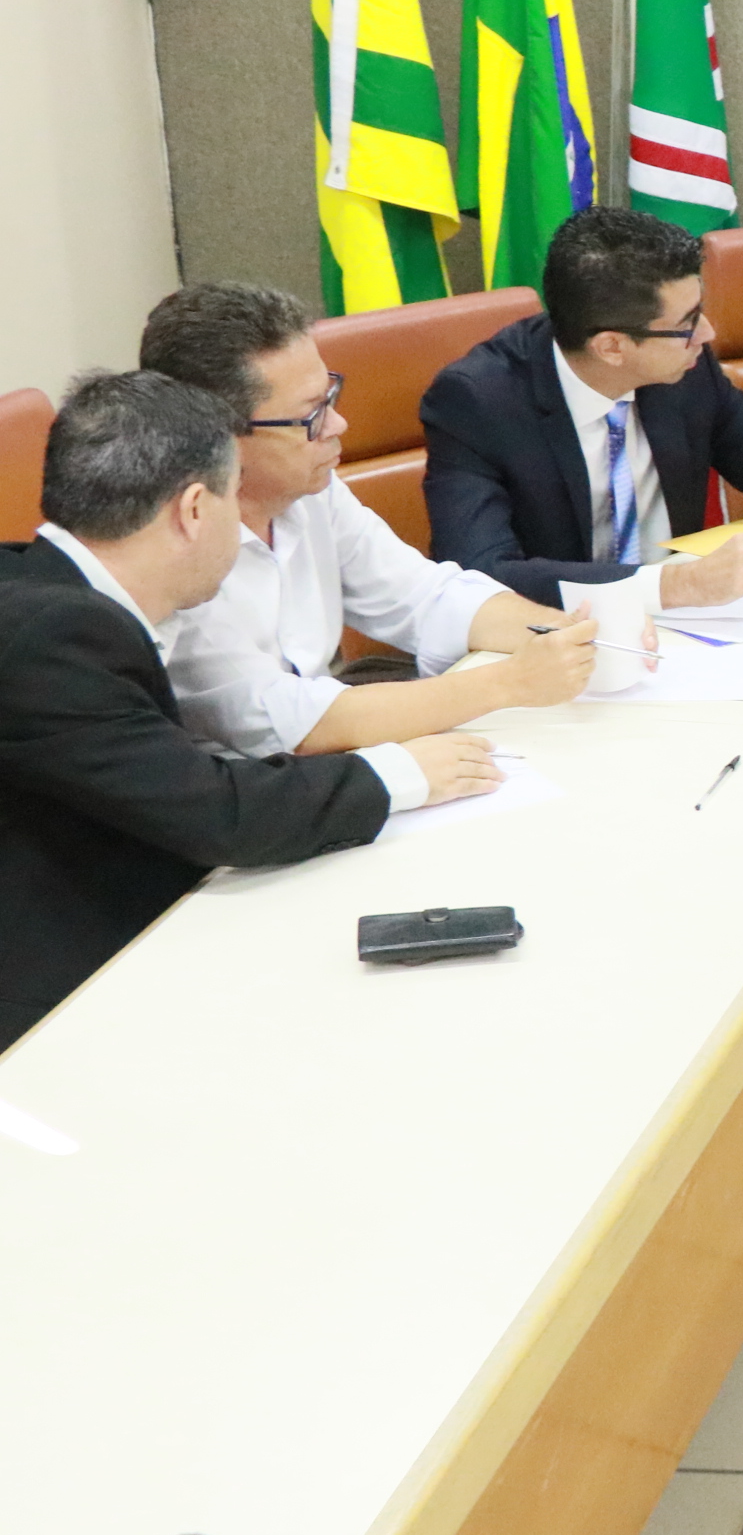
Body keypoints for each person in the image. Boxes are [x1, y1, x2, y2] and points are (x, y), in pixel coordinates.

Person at [0, 374, 499, 1049]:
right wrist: (403, 772)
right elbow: (217, 815)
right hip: (53, 1009)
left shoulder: (44, 592)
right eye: (235, 498)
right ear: (194, 510)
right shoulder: (57, 636)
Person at [138, 282, 599, 757]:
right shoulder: (170, 547)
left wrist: (566, 635)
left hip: (337, 754)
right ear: (221, 438)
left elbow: (424, 597)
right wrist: (510, 682)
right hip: (242, 782)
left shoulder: (309, 490)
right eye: (312, 415)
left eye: (330, 396)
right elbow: (288, 721)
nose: (338, 425)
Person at [421, 207, 743, 605]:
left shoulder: (683, 369)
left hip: (685, 631)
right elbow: (481, 575)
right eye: (688, 323)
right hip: (550, 640)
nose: (708, 334)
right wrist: (676, 584)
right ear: (612, 347)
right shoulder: (477, 402)